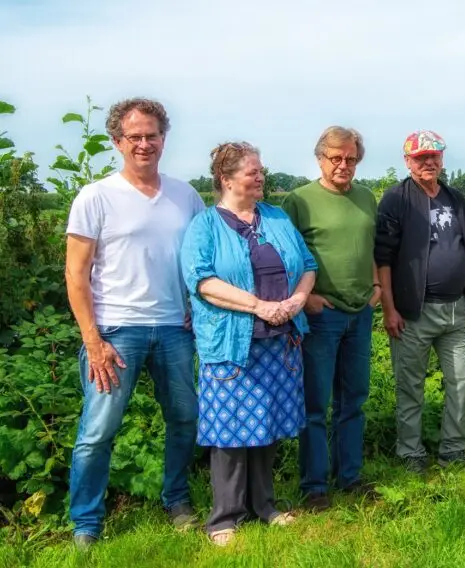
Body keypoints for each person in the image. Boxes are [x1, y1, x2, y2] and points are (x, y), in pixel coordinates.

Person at [65, 97, 205, 549]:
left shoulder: (186, 196)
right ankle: (86, 523)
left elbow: (199, 263)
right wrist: (94, 338)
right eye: (135, 136)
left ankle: (177, 499)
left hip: (173, 329)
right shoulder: (96, 196)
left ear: (164, 139)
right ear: (117, 142)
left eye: (152, 135)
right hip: (115, 331)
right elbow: (76, 274)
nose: (144, 144)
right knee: (97, 431)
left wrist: (194, 306)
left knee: (185, 418)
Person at [181, 142, 318, 546]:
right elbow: (203, 282)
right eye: (252, 172)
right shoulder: (205, 225)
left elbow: (307, 266)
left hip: (280, 340)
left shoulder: (275, 217)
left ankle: (266, 506)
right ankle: (224, 516)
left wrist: (295, 301)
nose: (261, 177)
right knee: (228, 429)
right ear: (226, 179)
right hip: (230, 342)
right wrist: (258, 306)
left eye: (261, 171)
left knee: (267, 423)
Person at [282, 127, 380, 510]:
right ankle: (314, 487)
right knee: (315, 403)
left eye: (351, 159)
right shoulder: (299, 200)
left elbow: (369, 245)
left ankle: (350, 477)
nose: (343, 165)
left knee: (353, 399)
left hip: (359, 314)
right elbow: (285, 255)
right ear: (320, 158)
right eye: (335, 158)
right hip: (323, 315)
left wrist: (376, 285)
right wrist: (306, 298)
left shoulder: (366, 197)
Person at [375, 130, 465, 473]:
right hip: (412, 311)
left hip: (455, 309)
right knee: (410, 386)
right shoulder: (396, 199)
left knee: (461, 380)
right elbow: (383, 258)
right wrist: (389, 308)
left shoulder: (456, 199)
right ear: (407, 161)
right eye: (420, 158)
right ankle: (410, 452)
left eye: (434, 156)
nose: (428, 162)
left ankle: (454, 448)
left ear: (442, 159)